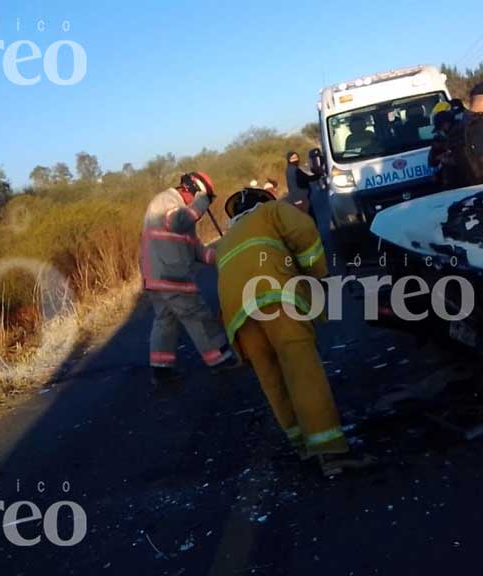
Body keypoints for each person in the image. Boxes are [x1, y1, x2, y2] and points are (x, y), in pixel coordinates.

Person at [215, 188, 373, 477]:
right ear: (263, 201)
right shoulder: (272, 211)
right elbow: (304, 229)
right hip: (275, 299)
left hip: (238, 318)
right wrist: (316, 272)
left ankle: (302, 445)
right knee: (302, 373)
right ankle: (329, 451)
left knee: (272, 379)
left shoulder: (226, 240)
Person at [140, 172, 240, 390]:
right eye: (200, 199)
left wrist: (223, 256)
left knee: (165, 321)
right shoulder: (166, 202)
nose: (201, 208)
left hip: (160, 277)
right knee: (198, 315)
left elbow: (197, 250)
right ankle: (220, 360)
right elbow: (178, 222)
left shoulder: (182, 212)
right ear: (189, 190)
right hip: (170, 275)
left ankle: (161, 370)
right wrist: (201, 202)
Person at [285, 151, 321, 221]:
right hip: (301, 198)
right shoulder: (296, 171)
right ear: (289, 160)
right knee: (309, 218)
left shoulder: (288, 170)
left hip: (294, 198)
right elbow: (307, 178)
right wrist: (318, 175)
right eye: (293, 159)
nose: (295, 160)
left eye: (296, 158)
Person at [428, 110, 458, 190]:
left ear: (446, 124)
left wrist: (449, 158)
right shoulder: (440, 139)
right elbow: (432, 161)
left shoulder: (460, 134)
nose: (441, 131)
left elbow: (464, 158)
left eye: (440, 128)